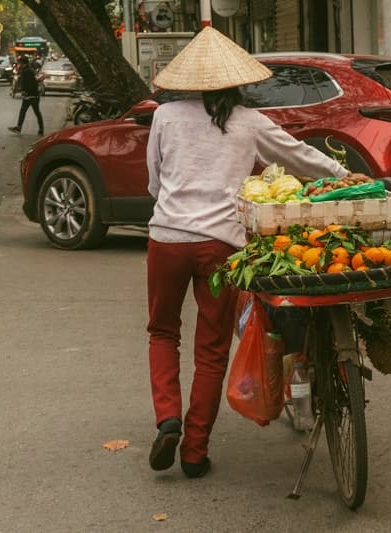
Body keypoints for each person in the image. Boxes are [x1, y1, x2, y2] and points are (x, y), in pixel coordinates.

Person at [145, 26, 350, 479]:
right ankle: (195, 451)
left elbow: (154, 182)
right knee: (211, 350)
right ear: (237, 80)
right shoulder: (248, 121)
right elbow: (300, 157)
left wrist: (172, 202)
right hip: (221, 244)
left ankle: (168, 419)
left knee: (163, 332)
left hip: (167, 239)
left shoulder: (166, 116)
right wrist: (343, 173)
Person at [8, 55, 44, 136]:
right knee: (31, 112)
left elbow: (30, 84)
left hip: (31, 96)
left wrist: (26, 92)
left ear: (22, 63)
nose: (19, 64)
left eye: (19, 62)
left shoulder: (26, 71)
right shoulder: (27, 70)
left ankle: (20, 127)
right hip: (32, 95)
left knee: (31, 111)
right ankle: (39, 129)